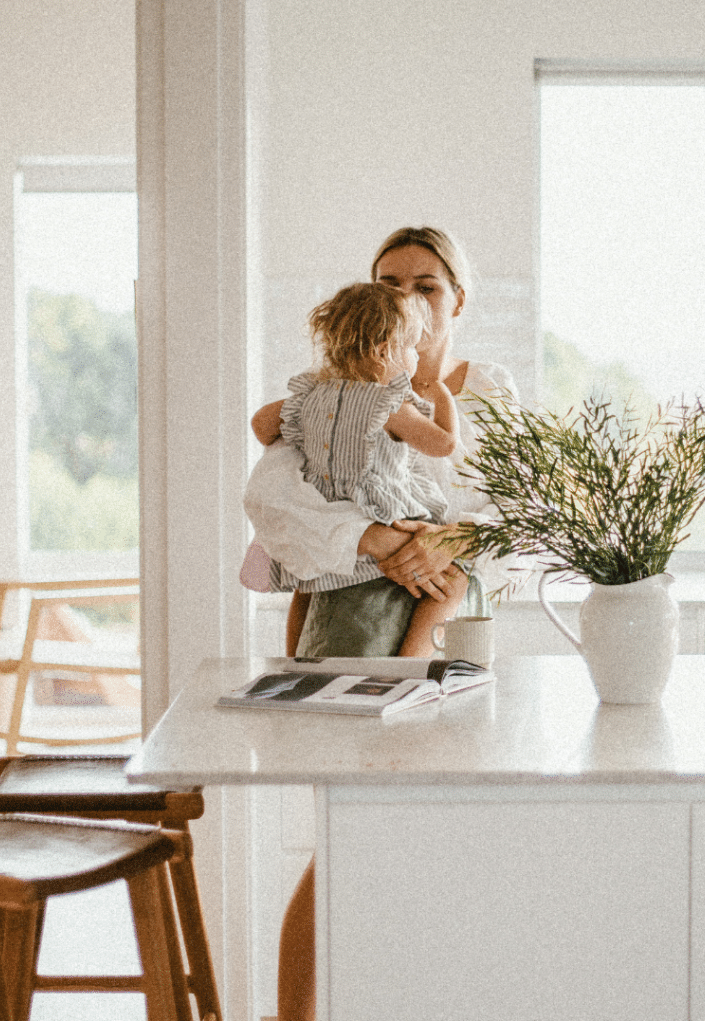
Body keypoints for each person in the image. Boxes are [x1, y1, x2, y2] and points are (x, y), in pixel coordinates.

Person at [245, 226, 518, 1021]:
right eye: (390, 282)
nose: (408, 297)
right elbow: (274, 502)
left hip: (454, 633)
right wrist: (372, 540)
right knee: (345, 839)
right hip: (349, 635)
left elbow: (515, 516)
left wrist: (431, 549)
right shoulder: (330, 392)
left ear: (456, 300)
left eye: (426, 284)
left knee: (446, 846)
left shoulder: (486, 395)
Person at [273, 280, 467, 657]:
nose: (415, 355)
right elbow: (443, 444)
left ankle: (295, 663)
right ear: (383, 353)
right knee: (454, 581)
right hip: (385, 520)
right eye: (410, 346)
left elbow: (263, 424)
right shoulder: (390, 403)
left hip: (332, 526)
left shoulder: (308, 396)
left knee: (308, 587)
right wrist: (442, 396)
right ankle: (411, 665)